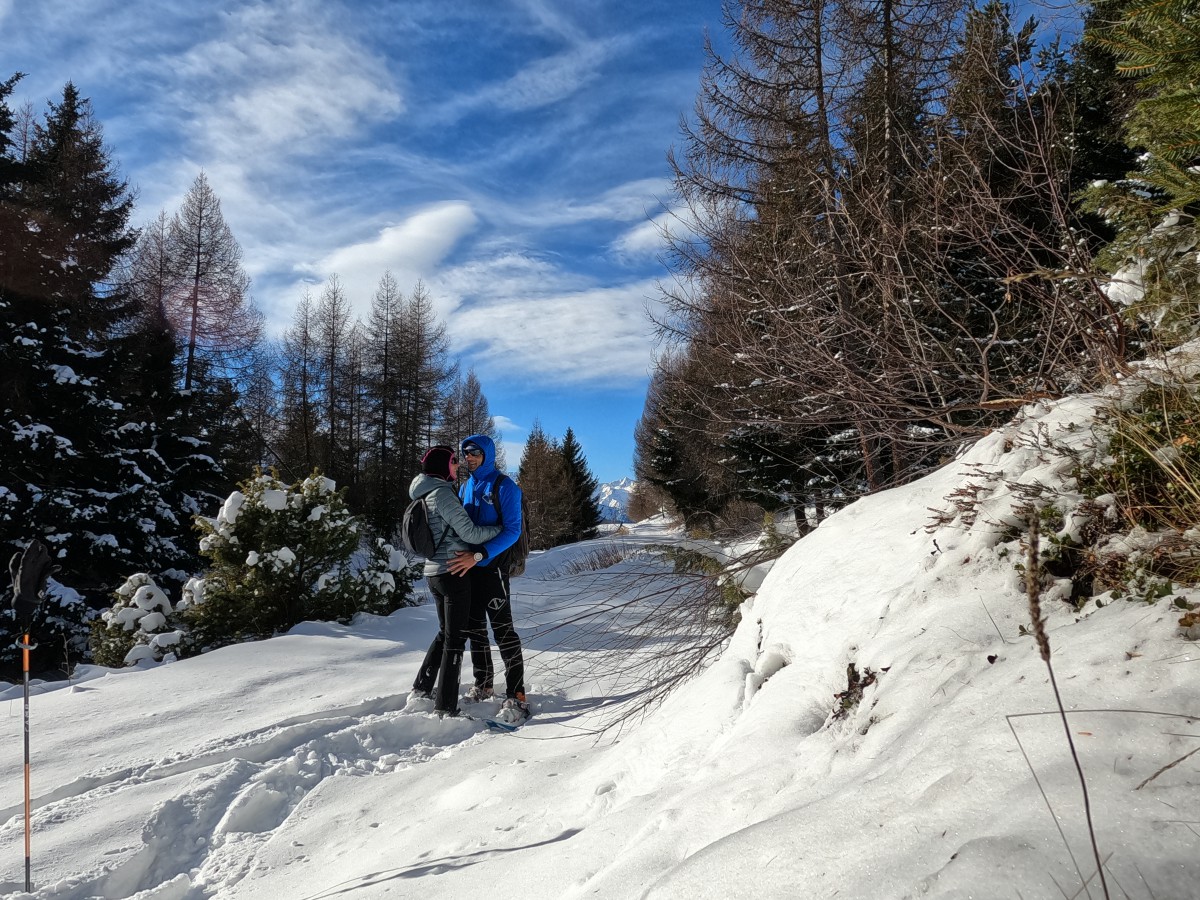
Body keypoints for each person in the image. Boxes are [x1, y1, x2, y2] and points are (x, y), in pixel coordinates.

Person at [409, 445, 501, 718]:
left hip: (433, 572)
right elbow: (471, 533)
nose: (456, 466)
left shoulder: (421, 493)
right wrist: (501, 529)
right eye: (452, 462)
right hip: (454, 571)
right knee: (455, 639)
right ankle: (446, 706)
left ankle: (422, 687)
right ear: (440, 467)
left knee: (444, 632)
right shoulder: (443, 494)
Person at [447, 433, 530, 723]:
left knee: (503, 631)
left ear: (487, 455)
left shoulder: (504, 486)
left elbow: (512, 531)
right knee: (475, 630)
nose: (469, 458)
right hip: (470, 570)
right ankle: (483, 684)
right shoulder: (468, 485)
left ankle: (517, 695)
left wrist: (479, 556)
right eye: (466, 453)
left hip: (493, 569)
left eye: (475, 453)